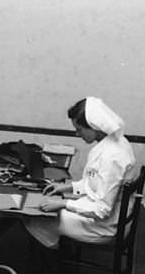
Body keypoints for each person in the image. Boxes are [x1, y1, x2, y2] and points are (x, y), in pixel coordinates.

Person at [23, 97, 137, 248]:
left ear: (94, 126)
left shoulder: (112, 157)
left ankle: (50, 263)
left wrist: (64, 203)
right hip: (108, 216)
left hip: (105, 226)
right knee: (46, 211)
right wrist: (68, 187)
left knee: (35, 218)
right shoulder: (114, 142)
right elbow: (96, 182)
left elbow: (102, 210)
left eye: (79, 129)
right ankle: (54, 255)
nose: (77, 134)